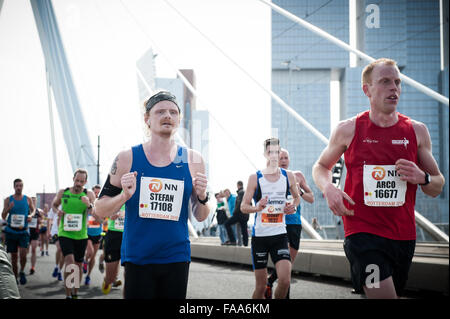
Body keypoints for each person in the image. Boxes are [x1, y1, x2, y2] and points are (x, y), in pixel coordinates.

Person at [312, 58, 445, 299]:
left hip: (403, 236)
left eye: (397, 82)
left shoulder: (416, 131)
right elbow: (321, 166)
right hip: (362, 234)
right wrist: (328, 187)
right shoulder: (348, 129)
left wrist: (422, 177)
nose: (394, 88)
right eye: (385, 82)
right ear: (367, 89)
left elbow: (437, 185)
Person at [94, 90, 210, 299]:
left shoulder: (193, 159)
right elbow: (99, 208)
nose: (168, 116)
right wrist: (123, 197)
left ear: (178, 119)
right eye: (160, 112)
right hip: (139, 257)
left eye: (173, 112)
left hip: (177, 255)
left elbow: (201, 215)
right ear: (147, 119)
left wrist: (202, 196)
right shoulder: (126, 158)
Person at [241, 137, 300, 299]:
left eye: (277, 152)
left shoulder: (288, 176)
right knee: (260, 287)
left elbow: (296, 198)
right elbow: (243, 206)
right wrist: (257, 207)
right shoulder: (255, 177)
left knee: (285, 280)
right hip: (260, 237)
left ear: (280, 153)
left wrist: (292, 207)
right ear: (265, 154)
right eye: (270, 152)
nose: (274, 155)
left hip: (280, 235)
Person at [265, 147, 315, 299]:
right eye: (281, 158)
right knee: (285, 264)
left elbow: (311, 198)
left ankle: (269, 281)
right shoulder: (269, 177)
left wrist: (299, 192)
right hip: (278, 224)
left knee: (289, 263)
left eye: (286, 158)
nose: (284, 161)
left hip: (294, 223)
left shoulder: (297, 176)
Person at [52, 169, 96, 299]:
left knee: (78, 265)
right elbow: (54, 205)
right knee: (70, 263)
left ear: (85, 182)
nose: (79, 183)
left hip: (81, 235)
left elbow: (94, 211)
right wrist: (57, 211)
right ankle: (67, 295)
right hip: (65, 233)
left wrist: (88, 204)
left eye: (82, 181)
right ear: (73, 179)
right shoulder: (63, 192)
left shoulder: (89, 194)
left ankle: (75, 292)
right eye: (77, 180)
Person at [1, 178, 35, 285]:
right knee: (14, 257)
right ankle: (15, 278)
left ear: (23, 186)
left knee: (23, 255)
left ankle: (22, 271)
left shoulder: (28, 199)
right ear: (14, 187)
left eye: (20, 185)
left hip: (23, 231)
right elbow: (3, 215)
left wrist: (30, 215)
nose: (19, 188)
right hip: (11, 231)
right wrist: (8, 209)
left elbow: (33, 210)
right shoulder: (8, 199)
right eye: (17, 186)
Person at [101, 203, 125, 295]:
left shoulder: (137, 193)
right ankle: (107, 281)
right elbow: (102, 211)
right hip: (114, 235)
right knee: (110, 277)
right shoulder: (114, 192)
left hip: (130, 235)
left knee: (129, 274)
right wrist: (110, 215)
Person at [83, 184, 103, 285]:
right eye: (95, 192)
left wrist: (103, 219)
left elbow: (104, 218)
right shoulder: (88, 204)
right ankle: (85, 261)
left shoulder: (101, 203)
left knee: (94, 256)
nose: (96, 194)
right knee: (90, 252)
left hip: (98, 232)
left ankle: (88, 276)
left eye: (98, 192)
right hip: (88, 232)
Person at [224, 182, 248, 246]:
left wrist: (234, 213)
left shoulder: (240, 193)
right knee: (244, 230)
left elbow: (239, 204)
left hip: (239, 214)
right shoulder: (246, 192)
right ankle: (245, 244)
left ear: (238, 185)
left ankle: (233, 241)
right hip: (245, 214)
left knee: (227, 223)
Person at [48, 205, 64, 281]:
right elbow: (49, 219)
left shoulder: (71, 204)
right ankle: (56, 266)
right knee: (60, 248)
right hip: (56, 231)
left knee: (64, 253)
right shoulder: (55, 206)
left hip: (67, 231)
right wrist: (48, 231)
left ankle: (59, 271)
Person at [28, 197, 42, 275]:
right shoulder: (26, 210)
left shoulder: (38, 211)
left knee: (33, 249)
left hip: (35, 233)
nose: (33, 202)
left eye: (34, 201)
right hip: (26, 232)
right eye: (32, 201)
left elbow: (41, 221)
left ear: (36, 202)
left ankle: (32, 267)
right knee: (25, 251)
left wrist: (40, 221)